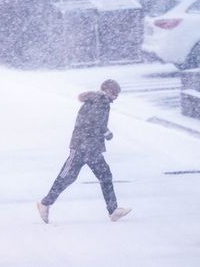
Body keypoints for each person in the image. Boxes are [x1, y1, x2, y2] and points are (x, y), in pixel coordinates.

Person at [37, 79, 131, 223]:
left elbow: (91, 121)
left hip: (90, 147)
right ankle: (45, 203)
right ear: (106, 90)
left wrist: (101, 133)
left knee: (103, 175)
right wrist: (106, 132)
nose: (116, 96)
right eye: (114, 92)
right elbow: (92, 121)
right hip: (82, 146)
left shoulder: (97, 100)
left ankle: (113, 211)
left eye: (117, 93)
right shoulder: (101, 100)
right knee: (68, 176)